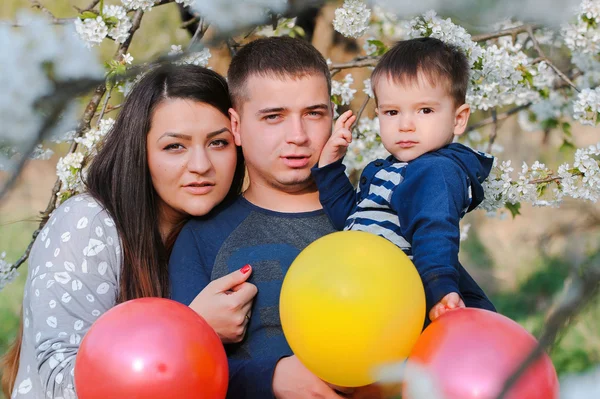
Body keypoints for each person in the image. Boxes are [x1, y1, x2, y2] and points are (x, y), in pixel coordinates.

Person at [1, 64, 259, 399]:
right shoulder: (88, 224)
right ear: (141, 150)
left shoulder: (222, 232)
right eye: (175, 147)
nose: (201, 165)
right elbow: (61, 384)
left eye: (218, 143)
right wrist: (191, 329)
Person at [169, 37, 355, 399]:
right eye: (274, 117)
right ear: (236, 126)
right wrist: (272, 378)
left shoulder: (377, 218)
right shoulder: (201, 237)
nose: (298, 136)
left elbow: (460, 323)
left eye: (314, 113)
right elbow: (180, 369)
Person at [311, 37, 496, 323]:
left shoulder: (436, 171)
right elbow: (352, 219)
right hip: (367, 298)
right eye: (392, 112)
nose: (405, 124)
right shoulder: (390, 170)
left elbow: (434, 229)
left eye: (425, 110)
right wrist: (330, 168)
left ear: (459, 119)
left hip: (407, 299)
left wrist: (440, 289)